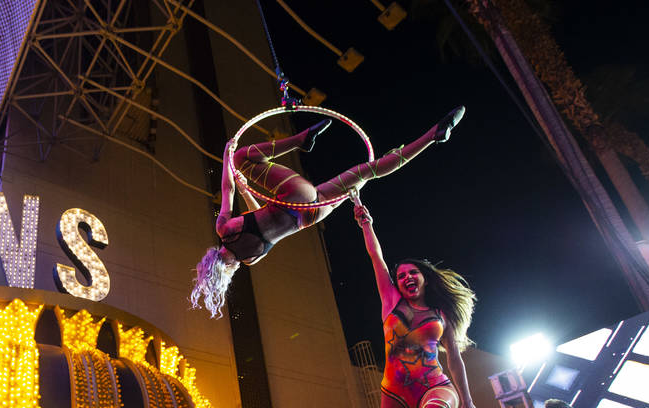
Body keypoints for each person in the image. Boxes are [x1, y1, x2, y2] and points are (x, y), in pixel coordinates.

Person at [190, 106, 466, 318]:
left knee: (366, 172)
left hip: (311, 214)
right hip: (294, 198)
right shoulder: (225, 230)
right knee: (242, 159)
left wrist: (247, 190)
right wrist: (227, 156)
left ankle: (433, 136)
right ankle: (301, 139)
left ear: (224, 270)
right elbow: (227, 191)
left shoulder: (251, 259)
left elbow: (262, 219)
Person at [352, 198, 485, 408]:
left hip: (434, 385)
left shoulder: (442, 314)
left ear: (424, 278)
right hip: (395, 392)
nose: (407, 277)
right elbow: (376, 256)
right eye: (401, 276)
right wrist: (366, 224)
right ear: (396, 284)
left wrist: (468, 400)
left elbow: (455, 359)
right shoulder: (390, 301)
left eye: (413, 272)